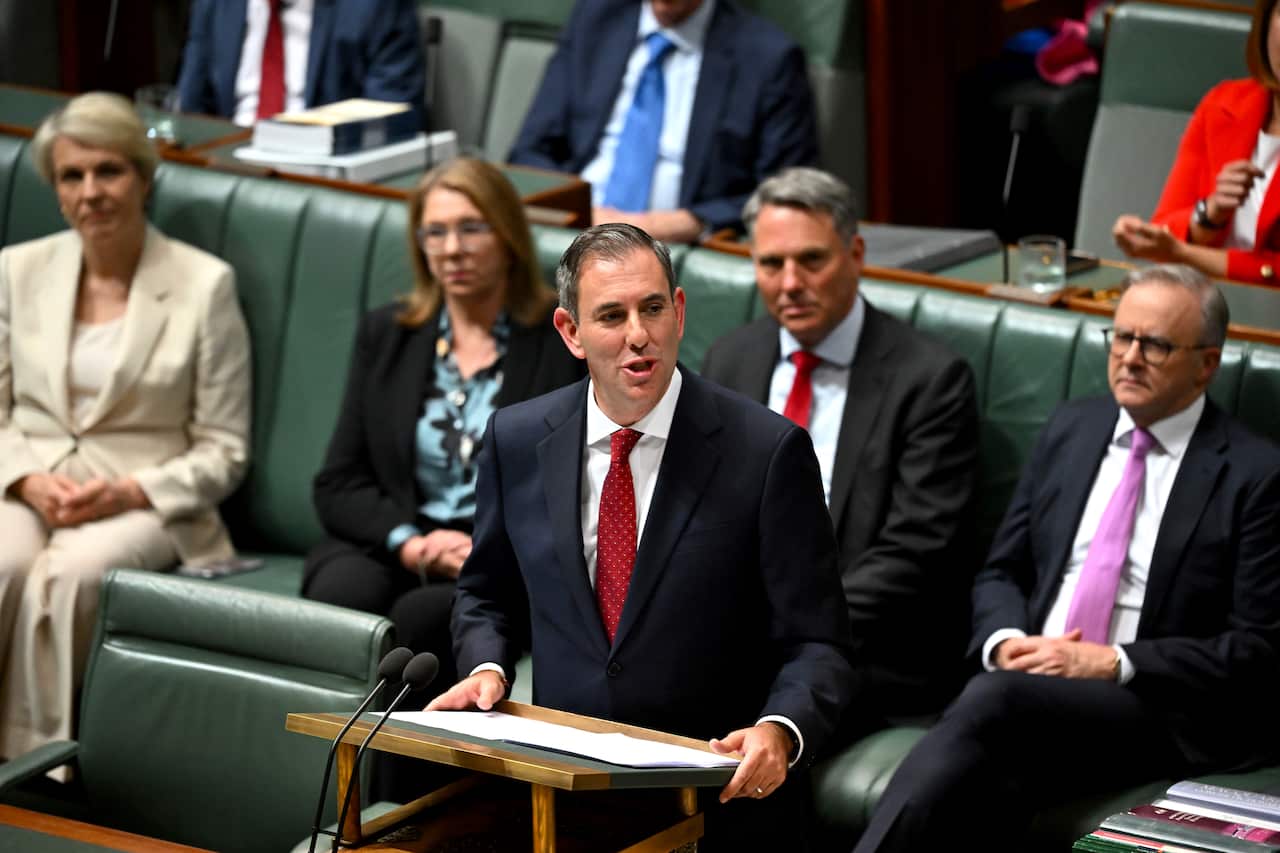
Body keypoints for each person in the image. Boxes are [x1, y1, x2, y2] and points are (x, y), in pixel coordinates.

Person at [428, 223, 854, 850]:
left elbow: (818, 642)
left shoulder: (766, 453)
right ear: (571, 333)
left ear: (678, 312)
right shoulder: (517, 440)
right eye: (611, 315)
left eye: (653, 308)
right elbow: (487, 592)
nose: (638, 335)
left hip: (716, 801)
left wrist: (780, 728)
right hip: (560, 794)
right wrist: (487, 665)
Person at [852, 264, 1280, 853]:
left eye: (1154, 344)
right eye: (1122, 336)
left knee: (990, 704)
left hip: (1155, 707)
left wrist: (1110, 661)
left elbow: (1257, 648)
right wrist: (1004, 642)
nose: (1129, 357)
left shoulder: (1255, 474)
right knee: (990, 770)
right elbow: (1004, 569)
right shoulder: (1072, 428)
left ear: (1207, 363)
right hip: (1030, 692)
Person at [0, 92, 251, 761]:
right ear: (54, 190)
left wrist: (124, 492)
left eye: (108, 171)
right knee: (5, 561)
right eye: (71, 176)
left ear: (144, 177)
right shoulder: (16, 271)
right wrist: (24, 478)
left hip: (147, 500)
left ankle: (37, 763)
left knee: (68, 576)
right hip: (29, 481)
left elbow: (225, 451)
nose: (91, 191)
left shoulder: (205, 285)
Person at [701, 167, 980, 732]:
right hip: (738, 628)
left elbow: (917, 550)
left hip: (862, 647)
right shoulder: (730, 359)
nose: (790, 283)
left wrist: (788, 624)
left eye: (811, 260)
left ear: (855, 253)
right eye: (771, 264)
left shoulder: (928, 378)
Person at [303, 157, 583, 697]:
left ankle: (395, 781)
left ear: (508, 236)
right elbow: (337, 482)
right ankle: (322, 769)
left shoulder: (557, 341)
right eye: (435, 232)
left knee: (422, 620)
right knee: (344, 597)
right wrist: (411, 543)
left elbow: (568, 492)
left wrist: (478, 548)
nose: (452, 249)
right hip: (397, 540)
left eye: (471, 228)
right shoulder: (388, 334)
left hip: (503, 562)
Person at [508, 0, 818, 243]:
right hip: (576, 229)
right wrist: (581, 209)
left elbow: (784, 193)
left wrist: (690, 221)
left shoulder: (768, 58)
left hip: (672, 246)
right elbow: (530, 151)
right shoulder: (595, 21)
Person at [1112, 0, 1280, 285]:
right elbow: (1164, 229)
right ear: (1267, 22)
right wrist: (1210, 215)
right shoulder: (1223, 104)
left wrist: (1184, 253)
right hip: (1197, 306)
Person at [177, 0, 426, 127]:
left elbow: (386, 126)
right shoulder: (215, 4)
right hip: (227, 164)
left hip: (319, 179)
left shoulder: (376, 7)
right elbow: (191, 109)